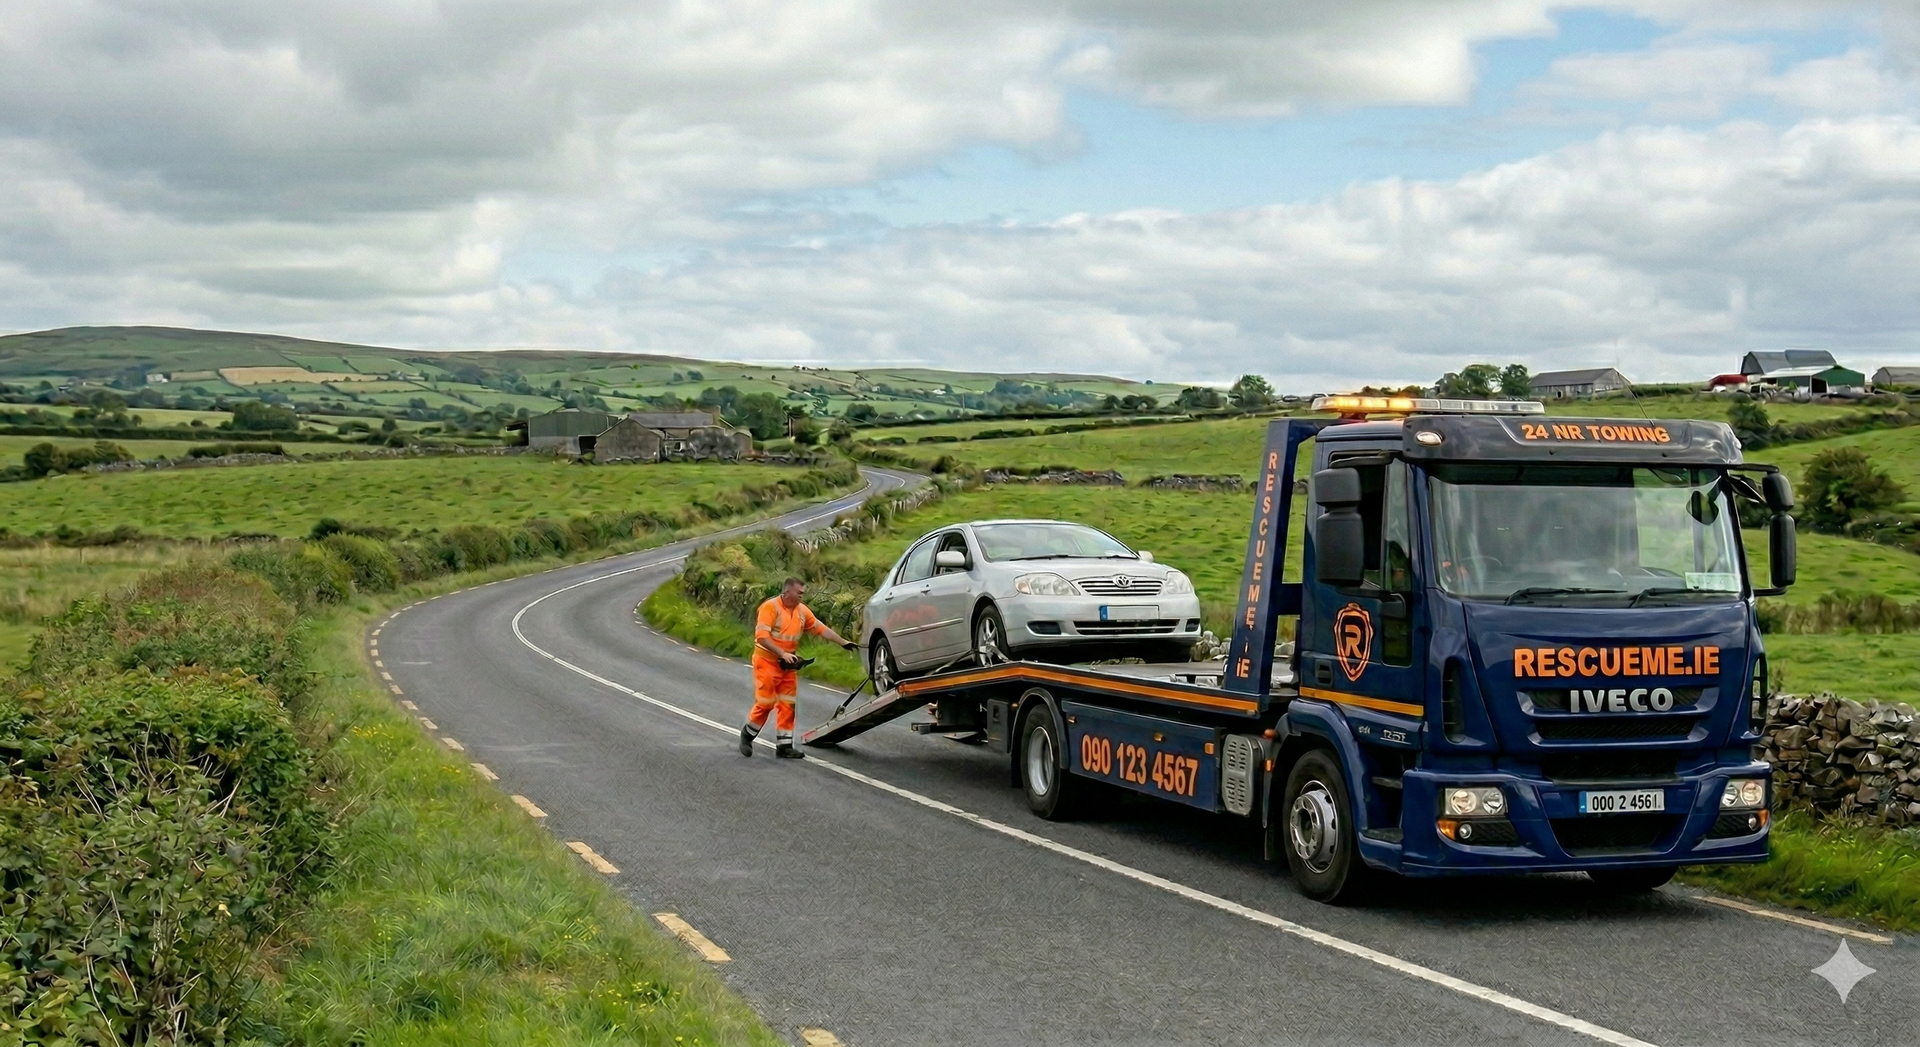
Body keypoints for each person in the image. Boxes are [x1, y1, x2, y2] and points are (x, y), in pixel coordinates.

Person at [740, 576, 856, 759]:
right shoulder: (770, 607)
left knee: (788, 704)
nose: (802, 595)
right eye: (799, 592)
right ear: (787, 592)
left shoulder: (802, 611)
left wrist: (842, 642)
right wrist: (782, 653)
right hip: (767, 663)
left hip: (788, 667)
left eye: (803, 592)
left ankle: (785, 746)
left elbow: (820, 628)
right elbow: (761, 637)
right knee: (766, 703)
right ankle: (747, 735)